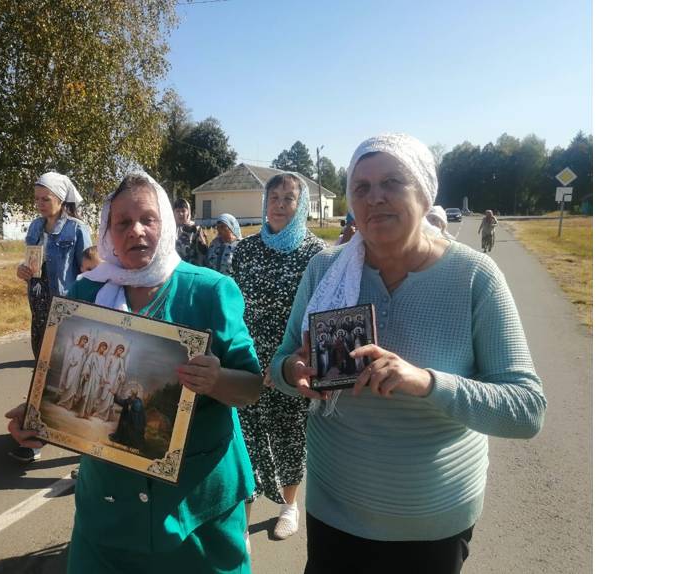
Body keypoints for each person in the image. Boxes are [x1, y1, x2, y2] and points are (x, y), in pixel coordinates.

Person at [271, 133, 546, 574]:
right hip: (335, 514)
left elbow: (526, 409)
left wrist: (428, 383)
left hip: (432, 525)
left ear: (424, 192)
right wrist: (293, 369)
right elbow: (281, 361)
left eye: (392, 182)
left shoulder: (475, 277)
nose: (375, 198)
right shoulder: (326, 269)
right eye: (361, 188)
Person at [6, 172, 262, 573]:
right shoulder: (85, 294)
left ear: (167, 224)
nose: (136, 231)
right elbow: (65, 377)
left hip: (195, 507)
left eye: (148, 219)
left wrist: (217, 380)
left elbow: (252, 388)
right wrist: (37, 414)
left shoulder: (210, 291)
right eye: (122, 222)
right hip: (108, 508)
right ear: (108, 230)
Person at [231, 172, 328, 542]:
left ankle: (290, 505)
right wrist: (242, 355)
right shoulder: (245, 249)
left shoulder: (316, 253)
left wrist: (284, 364)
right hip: (247, 358)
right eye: (273, 197)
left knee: (289, 436)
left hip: (292, 362)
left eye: (289, 198)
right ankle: (243, 512)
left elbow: (319, 315)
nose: (280, 205)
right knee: (247, 436)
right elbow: (233, 306)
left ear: (301, 205)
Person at [10, 171, 93, 463]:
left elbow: (90, 273)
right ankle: (35, 438)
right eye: (37, 199)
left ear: (61, 199)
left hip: (67, 310)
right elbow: (31, 264)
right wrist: (23, 271)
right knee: (42, 370)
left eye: (46, 199)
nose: (40, 204)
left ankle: (76, 437)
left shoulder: (77, 229)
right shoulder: (34, 227)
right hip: (39, 307)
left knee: (65, 373)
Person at [95, 344, 128, 420]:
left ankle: (104, 415)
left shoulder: (121, 360)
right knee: (104, 395)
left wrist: (121, 375)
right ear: (116, 349)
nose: (120, 352)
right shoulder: (110, 357)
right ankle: (98, 412)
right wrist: (105, 378)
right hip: (108, 378)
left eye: (122, 351)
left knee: (110, 397)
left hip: (115, 380)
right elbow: (105, 368)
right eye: (119, 350)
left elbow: (122, 370)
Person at [77, 341, 110, 418]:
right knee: (86, 394)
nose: (103, 350)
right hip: (91, 376)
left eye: (104, 349)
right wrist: (86, 371)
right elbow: (87, 363)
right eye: (102, 347)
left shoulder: (103, 358)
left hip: (97, 379)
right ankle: (81, 412)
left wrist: (105, 379)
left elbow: (103, 370)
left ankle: (87, 413)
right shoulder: (93, 354)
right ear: (99, 346)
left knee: (93, 396)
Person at [108, 385, 146, 450]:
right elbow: (121, 402)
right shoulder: (129, 400)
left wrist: (130, 410)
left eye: (130, 392)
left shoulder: (138, 403)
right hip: (127, 421)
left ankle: (129, 441)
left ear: (133, 394)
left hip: (133, 424)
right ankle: (123, 440)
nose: (128, 393)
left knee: (128, 428)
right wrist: (115, 394)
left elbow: (136, 417)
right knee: (123, 425)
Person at [172, 198, 209, 265]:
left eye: (183, 211)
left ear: (188, 212)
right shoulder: (169, 229)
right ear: (173, 212)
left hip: (190, 268)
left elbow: (202, 254)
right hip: (173, 269)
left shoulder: (195, 229)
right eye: (177, 211)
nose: (180, 214)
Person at [57, 335, 90, 405]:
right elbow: (69, 357)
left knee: (74, 387)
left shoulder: (84, 351)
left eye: (85, 342)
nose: (84, 343)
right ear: (80, 340)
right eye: (83, 341)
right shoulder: (74, 348)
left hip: (78, 371)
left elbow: (84, 362)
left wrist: (84, 370)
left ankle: (69, 404)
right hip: (72, 369)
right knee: (68, 384)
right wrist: (73, 363)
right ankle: (62, 401)